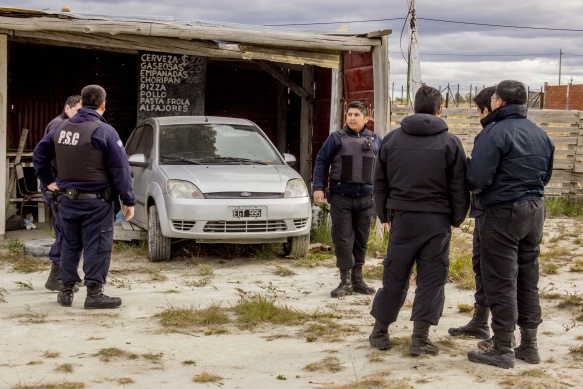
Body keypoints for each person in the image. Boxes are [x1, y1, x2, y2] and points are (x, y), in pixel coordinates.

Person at [368, 85, 470, 356]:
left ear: (413, 107)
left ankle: (380, 332)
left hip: (401, 219)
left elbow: (379, 182)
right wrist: (456, 220)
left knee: (395, 276)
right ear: (440, 109)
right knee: (432, 279)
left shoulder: (391, 139)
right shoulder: (450, 142)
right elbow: (459, 186)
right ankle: (420, 338)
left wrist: (384, 216)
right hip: (437, 221)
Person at [466, 80, 554, 369]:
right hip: (536, 209)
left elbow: (477, 180)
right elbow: (546, 176)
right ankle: (529, 345)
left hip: (503, 211)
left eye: (492, 97)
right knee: (528, 278)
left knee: (501, 279)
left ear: (499, 102)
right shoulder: (540, 134)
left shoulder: (492, 132)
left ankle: (502, 347)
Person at [33, 84, 136, 309]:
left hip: (66, 201)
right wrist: (128, 200)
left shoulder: (61, 128)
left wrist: (47, 180)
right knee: (97, 245)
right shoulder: (104, 131)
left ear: (82, 102)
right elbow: (121, 170)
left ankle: (66, 292)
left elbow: (39, 154)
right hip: (96, 202)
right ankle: (94, 294)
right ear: (103, 105)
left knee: (69, 245)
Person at [312, 101, 381, 298]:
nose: (352, 118)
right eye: (349, 114)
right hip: (341, 197)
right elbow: (321, 161)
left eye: (356, 115)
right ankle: (345, 281)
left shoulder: (376, 140)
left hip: (366, 199)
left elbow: (386, 166)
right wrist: (318, 187)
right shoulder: (336, 138)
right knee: (342, 240)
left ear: (366, 119)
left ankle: (358, 280)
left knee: (361, 241)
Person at [448, 87, 496, 341]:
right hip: (528, 213)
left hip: (492, 213)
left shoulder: (489, 135)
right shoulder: (533, 133)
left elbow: (477, 179)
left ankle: (499, 333)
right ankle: (482, 321)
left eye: (478, 111)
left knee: (490, 269)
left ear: (486, 110)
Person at [41, 95, 82, 293]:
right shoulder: (60, 126)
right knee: (64, 232)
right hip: (56, 185)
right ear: (67, 108)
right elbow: (56, 158)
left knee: (68, 231)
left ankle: (68, 273)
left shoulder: (65, 124)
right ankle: (55, 277)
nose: (80, 116)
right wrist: (53, 182)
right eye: (77, 111)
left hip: (59, 184)